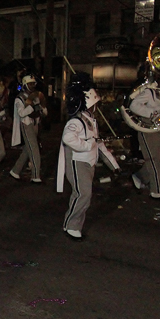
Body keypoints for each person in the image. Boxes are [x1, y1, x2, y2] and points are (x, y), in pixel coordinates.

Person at [56, 75, 119, 241]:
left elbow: (99, 145)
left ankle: (71, 224)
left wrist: (114, 166)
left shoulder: (91, 121)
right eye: (95, 104)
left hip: (88, 163)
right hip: (77, 162)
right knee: (83, 194)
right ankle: (71, 226)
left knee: (83, 195)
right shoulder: (77, 122)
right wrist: (87, 145)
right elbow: (68, 138)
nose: (97, 107)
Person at [10, 74, 46, 183]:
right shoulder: (19, 98)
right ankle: (35, 176)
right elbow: (21, 113)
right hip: (26, 124)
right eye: (30, 84)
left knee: (27, 149)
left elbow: (43, 110)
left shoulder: (36, 96)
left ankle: (15, 171)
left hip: (35, 124)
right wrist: (32, 106)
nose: (32, 86)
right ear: (25, 85)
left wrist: (42, 109)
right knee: (34, 150)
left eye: (33, 83)